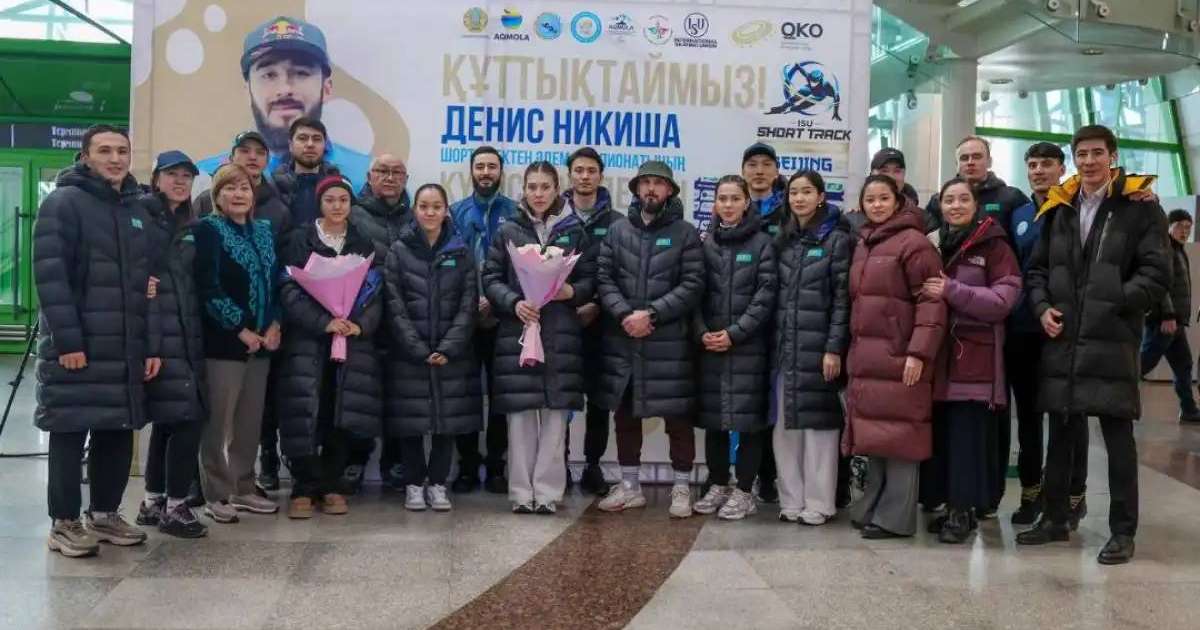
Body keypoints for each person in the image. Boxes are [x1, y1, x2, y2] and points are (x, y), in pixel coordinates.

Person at [1017, 125, 1170, 566]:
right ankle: (1055, 518)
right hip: (1063, 339)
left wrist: (1118, 303)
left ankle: (1123, 531)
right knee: (1062, 433)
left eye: (1097, 153)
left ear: (1113, 156)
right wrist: (1043, 307)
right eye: (1082, 153)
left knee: (1118, 437)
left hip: (1111, 337)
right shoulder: (1060, 207)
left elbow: (1156, 274)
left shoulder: (1139, 208)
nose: (1089, 161)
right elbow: (1037, 270)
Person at [35, 125, 159, 557]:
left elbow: (148, 287)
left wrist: (149, 346)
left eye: (122, 150)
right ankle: (64, 522)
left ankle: (104, 513)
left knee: (117, 431)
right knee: (69, 431)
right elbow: (52, 279)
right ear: (85, 157)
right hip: (79, 347)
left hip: (124, 349)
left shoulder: (135, 209)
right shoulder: (62, 204)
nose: (115, 158)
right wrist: (68, 342)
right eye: (104, 150)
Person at [482, 161, 594, 513]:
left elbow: (594, 278)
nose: (539, 193)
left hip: (561, 335)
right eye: (532, 187)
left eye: (545, 187)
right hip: (518, 333)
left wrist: (570, 292)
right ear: (524, 190)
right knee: (520, 418)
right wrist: (513, 303)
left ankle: (547, 494)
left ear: (557, 188)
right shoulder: (508, 231)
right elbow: (490, 278)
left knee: (556, 418)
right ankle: (520, 493)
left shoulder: (575, 229)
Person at [595, 160, 705, 518]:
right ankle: (629, 487)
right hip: (624, 339)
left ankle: (681, 488)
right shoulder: (617, 231)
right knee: (626, 416)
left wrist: (652, 314)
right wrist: (626, 314)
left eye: (659, 183)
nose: (651, 189)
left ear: (671, 190)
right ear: (636, 189)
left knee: (677, 418)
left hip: (668, 341)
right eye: (645, 183)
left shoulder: (686, 233)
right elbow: (604, 278)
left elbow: (692, 284)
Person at [845, 174, 946, 539]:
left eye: (883, 198)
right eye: (869, 199)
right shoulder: (865, 243)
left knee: (902, 440)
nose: (876, 205)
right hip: (869, 360)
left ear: (898, 201)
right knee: (875, 440)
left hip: (902, 358)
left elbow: (931, 302)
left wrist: (919, 353)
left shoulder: (915, 244)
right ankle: (871, 508)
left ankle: (895, 519)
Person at [276, 175, 383, 519]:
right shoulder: (301, 239)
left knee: (342, 411)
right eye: (330, 200)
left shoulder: (363, 242)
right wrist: (323, 321)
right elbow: (289, 290)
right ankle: (304, 486)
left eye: (343, 200)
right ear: (320, 204)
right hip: (309, 343)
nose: (338, 206)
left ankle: (333, 484)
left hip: (350, 343)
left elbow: (376, 293)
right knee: (306, 411)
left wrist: (359, 324)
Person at [922, 178, 1021, 544]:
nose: (956, 206)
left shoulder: (995, 246)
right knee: (945, 438)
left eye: (963, 199)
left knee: (968, 440)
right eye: (949, 200)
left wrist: (952, 290)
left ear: (976, 204)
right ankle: (951, 506)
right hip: (939, 356)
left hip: (974, 356)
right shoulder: (932, 242)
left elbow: (1002, 301)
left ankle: (963, 512)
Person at [1006, 142, 1090, 527]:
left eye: (1047, 164)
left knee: (1070, 415)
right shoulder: (1020, 213)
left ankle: (1073, 497)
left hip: (1065, 329)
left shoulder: (1077, 209)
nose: (1039, 171)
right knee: (1027, 417)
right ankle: (1031, 494)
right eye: (1033, 165)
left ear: (1062, 168)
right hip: (1023, 329)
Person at [194, 163, 282, 524]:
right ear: (217, 196)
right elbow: (207, 287)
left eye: (244, 187)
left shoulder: (264, 231)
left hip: (263, 343)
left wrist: (275, 323)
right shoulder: (208, 230)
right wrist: (239, 328)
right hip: (224, 344)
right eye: (229, 188)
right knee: (219, 421)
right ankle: (216, 492)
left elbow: (275, 282)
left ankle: (245, 486)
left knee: (249, 421)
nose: (238, 194)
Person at [384, 184, 481, 512]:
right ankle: (414, 485)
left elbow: (468, 306)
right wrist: (416, 347)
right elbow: (394, 304)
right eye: (423, 206)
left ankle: (438, 484)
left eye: (436, 206)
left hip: (451, 355)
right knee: (411, 423)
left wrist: (448, 347)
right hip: (409, 354)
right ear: (414, 210)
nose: (430, 212)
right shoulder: (399, 250)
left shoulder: (461, 251)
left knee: (445, 422)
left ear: (445, 211)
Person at [195, 15, 369, 189]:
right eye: (269, 75)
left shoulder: (368, 174)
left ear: (327, 87)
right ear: (248, 91)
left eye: (301, 73)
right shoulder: (204, 178)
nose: (285, 89)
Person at [690, 175, 777, 521]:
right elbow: (693, 292)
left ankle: (744, 489)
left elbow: (765, 297)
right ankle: (717, 483)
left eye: (734, 198)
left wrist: (735, 333)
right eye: (722, 199)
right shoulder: (705, 243)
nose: (727, 204)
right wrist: (701, 333)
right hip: (710, 346)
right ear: (714, 204)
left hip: (747, 348)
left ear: (746, 203)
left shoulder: (762, 244)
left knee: (748, 422)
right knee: (714, 420)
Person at [770, 170, 851, 526]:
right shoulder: (783, 240)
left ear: (821, 197)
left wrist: (834, 347)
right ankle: (791, 500)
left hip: (820, 350)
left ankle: (819, 502)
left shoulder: (836, 240)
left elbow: (843, 301)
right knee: (785, 429)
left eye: (807, 192)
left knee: (820, 428)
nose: (799, 198)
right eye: (793, 193)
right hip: (784, 349)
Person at [135, 151, 209, 539]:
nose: (180, 182)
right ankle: (177, 506)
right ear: (156, 178)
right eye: (172, 175)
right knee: (186, 419)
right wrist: (151, 343)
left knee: (168, 420)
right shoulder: (143, 217)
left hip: (185, 329)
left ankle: (152, 501)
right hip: (160, 331)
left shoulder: (188, 220)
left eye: (186, 176)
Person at [450, 146, 519, 494]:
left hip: (504, 317)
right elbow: (451, 265)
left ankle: (496, 465)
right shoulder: (455, 212)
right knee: (463, 393)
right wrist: (470, 302)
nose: (486, 172)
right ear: (471, 172)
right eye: (480, 166)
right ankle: (466, 465)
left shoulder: (515, 213)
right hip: (464, 318)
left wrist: (497, 301)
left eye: (492, 166)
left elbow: (521, 266)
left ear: (501, 172)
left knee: (500, 394)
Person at [344, 153, 412, 490]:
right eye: (382, 171)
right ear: (369, 177)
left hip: (405, 320)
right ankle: (355, 458)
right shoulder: (352, 215)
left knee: (401, 394)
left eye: (396, 172)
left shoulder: (417, 217)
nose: (389, 177)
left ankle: (395, 462)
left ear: (406, 178)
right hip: (361, 318)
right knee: (360, 393)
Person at [562, 147, 623, 495]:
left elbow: (621, 273)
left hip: (604, 324)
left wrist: (598, 303)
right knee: (564, 399)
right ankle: (561, 462)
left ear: (601, 176)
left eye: (591, 171)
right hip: (562, 322)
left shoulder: (617, 223)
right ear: (570, 175)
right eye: (578, 170)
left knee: (599, 401)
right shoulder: (556, 217)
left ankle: (593, 466)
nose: (585, 176)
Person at [1141, 209, 1199, 424]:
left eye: (1188, 227)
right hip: (1164, 320)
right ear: (1169, 226)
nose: (1184, 231)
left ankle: (1189, 409)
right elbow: (1161, 286)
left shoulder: (1178, 249)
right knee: (1143, 363)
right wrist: (1168, 314)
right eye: (1180, 226)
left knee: (1184, 364)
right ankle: (1109, 403)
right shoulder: (1163, 249)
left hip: (1176, 321)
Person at [197, 131, 291, 241]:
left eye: (260, 152)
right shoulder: (206, 201)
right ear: (231, 158)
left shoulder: (278, 210)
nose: (252, 157)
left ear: (267, 161)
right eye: (244, 151)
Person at [924, 137, 1029, 234]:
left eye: (977, 157)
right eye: (964, 158)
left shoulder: (1012, 198)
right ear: (956, 164)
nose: (970, 162)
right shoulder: (938, 202)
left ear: (989, 162)